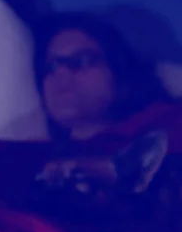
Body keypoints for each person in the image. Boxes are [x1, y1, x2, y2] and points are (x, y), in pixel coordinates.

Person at [32, 11, 173, 148]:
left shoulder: (174, 131)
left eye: (82, 60)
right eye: (50, 67)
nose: (61, 74)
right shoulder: (24, 158)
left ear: (118, 73)